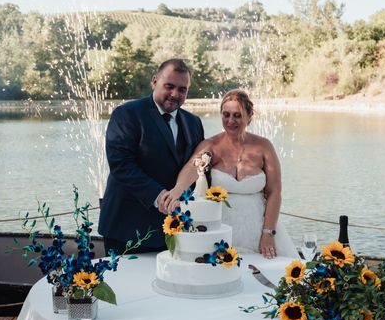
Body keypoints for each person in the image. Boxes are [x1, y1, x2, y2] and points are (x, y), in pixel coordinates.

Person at [160, 89, 297, 259]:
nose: (230, 121)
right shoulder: (211, 145)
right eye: (226, 114)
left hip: (259, 228)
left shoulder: (264, 146)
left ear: (249, 116)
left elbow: (274, 192)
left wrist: (268, 233)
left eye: (237, 115)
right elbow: (191, 168)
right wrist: (176, 191)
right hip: (221, 230)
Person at [98, 59, 205, 254]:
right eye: (169, 86)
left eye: (182, 89)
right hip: (128, 228)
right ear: (154, 81)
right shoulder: (127, 114)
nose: (175, 94)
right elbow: (121, 165)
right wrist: (159, 196)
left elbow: (196, 167)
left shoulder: (194, 122)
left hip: (177, 228)